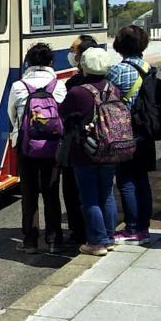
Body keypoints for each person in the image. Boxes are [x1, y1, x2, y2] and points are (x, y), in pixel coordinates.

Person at [7, 43, 67, 255]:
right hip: (52, 147)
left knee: (29, 194)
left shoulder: (18, 86)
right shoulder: (58, 86)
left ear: (28, 62)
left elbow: (12, 115)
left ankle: (30, 242)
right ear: (51, 62)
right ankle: (54, 241)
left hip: (26, 147)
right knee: (51, 193)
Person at [59, 47, 119, 256]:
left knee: (89, 197)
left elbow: (62, 113)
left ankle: (97, 241)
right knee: (107, 195)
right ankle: (110, 237)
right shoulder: (113, 88)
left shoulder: (78, 92)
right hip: (111, 147)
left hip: (85, 150)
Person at [107, 25, 155, 246]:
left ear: (120, 46)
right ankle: (144, 227)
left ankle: (132, 228)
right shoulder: (149, 68)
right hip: (146, 130)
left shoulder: (117, 71)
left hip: (125, 132)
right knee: (142, 180)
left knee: (126, 180)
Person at [57, 34, 95, 246]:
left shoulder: (74, 85)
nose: (71, 55)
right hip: (104, 145)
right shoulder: (110, 83)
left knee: (73, 192)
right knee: (102, 193)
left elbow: (63, 113)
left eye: (75, 52)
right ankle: (101, 233)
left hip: (77, 145)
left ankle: (79, 233)